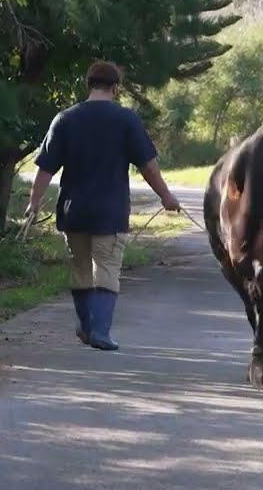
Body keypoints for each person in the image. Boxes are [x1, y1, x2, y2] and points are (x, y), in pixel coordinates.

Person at [24, 60, 181, 351]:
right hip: (110, 211)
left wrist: (34, 203)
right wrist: (166, 197)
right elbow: (148, 167)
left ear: (88, 85)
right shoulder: (126, 120)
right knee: (107, 268)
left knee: (80, 266)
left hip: (74, 211)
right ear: (115, 88)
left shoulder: (65, 119)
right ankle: (100, 331)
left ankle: (86, 325)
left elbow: (45, 168)